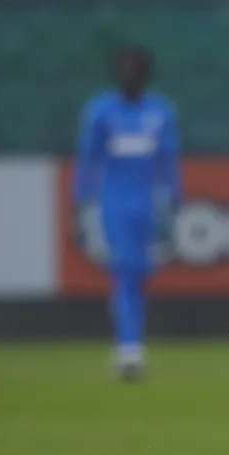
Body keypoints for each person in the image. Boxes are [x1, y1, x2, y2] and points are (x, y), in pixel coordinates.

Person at [73, 46, 181, 380]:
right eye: (125, 67)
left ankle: (130, 339)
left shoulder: (160, 112)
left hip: (148, 205)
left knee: (139, 274)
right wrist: (80, 203)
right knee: (124, 272)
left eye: (137, 67)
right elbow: (88, 160)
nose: (131, 73)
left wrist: (174, 204)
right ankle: (129, 346)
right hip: (114, 205)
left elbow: (168, 162)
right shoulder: (101, 112)